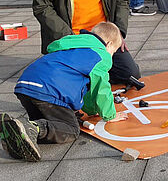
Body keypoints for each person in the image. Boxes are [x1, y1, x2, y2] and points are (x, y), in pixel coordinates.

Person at [0, 22, 128, 162]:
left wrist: (90, 110)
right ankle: (32, 127)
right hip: (48, 91)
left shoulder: (72, 42)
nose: (112, 54)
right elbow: (100, 89)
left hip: (25, 86)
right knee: (70, 130)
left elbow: (79, 85)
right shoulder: (101, 55)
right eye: (114, 51)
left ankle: (18, 129)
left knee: (49, 123)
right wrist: (109, 114)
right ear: (109, 44)